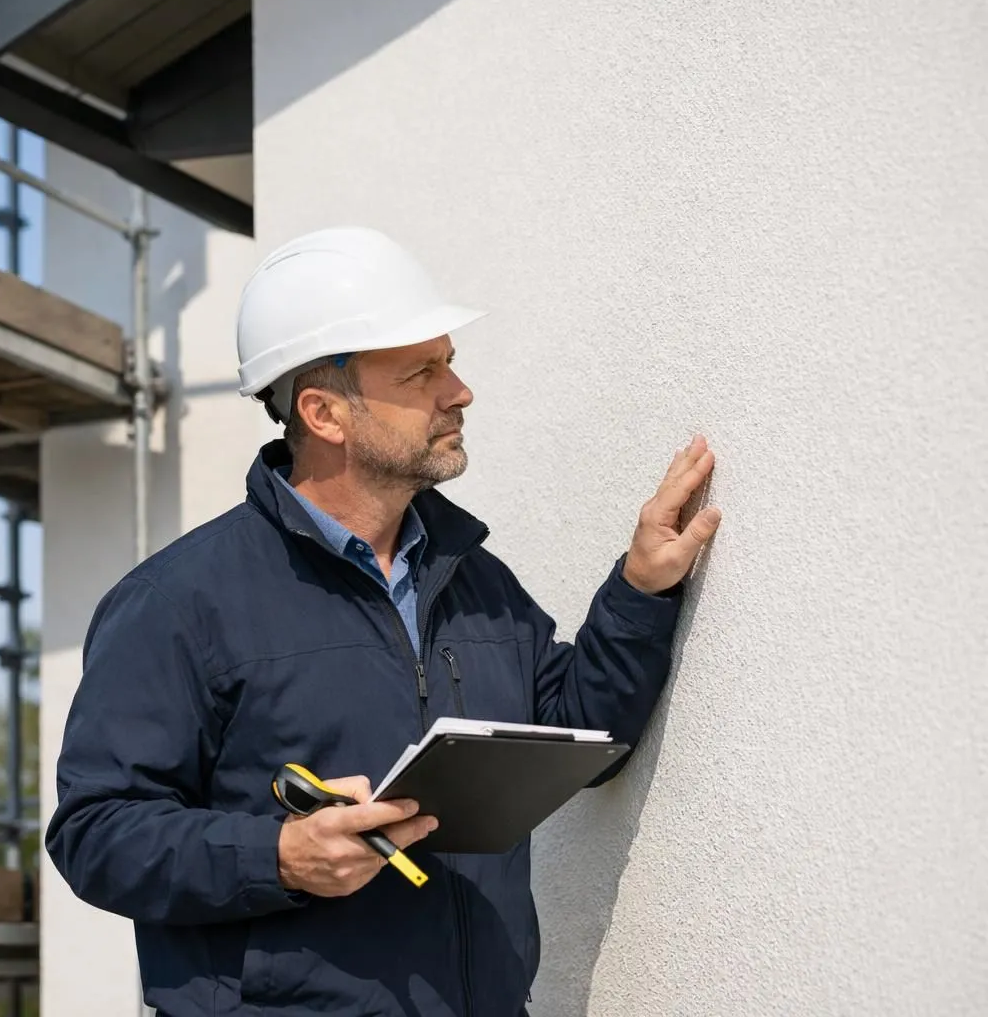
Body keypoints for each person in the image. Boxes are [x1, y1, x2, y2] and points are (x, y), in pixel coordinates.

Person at [44, 226, 721, 1016]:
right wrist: (281, 856)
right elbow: (96, 835)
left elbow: (584, 739)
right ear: (325, 412)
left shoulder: (471, 578)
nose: (458, 392)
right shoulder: (178, 603)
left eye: (450, 363)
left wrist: (640, 588)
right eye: (421, 373)